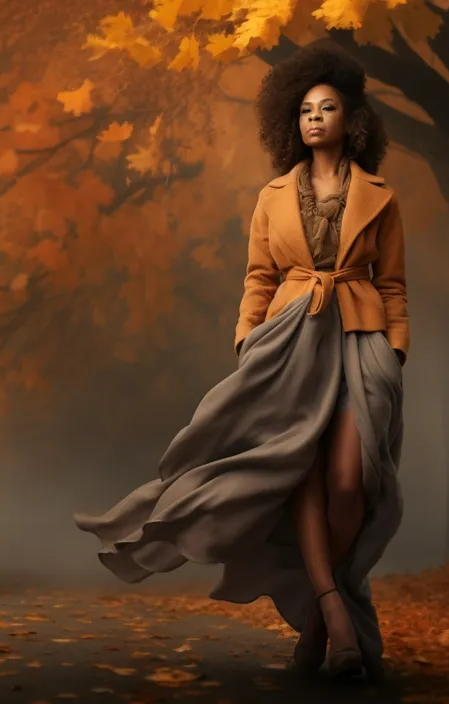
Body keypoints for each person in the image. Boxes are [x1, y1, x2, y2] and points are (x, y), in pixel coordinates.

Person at [72, 41, 408, 683]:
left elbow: (393, 286)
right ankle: (335, 617)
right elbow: (258, 277)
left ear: (352, 120)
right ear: (292, 121)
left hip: (360, 343)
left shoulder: (382, 198)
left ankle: (317, 622)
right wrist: (247, 340)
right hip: (286, 343)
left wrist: (393, 351)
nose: (314, 117)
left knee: (348, 482)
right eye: (305, 108)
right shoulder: (272, 195)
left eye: (328, 107)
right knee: (295, 473)